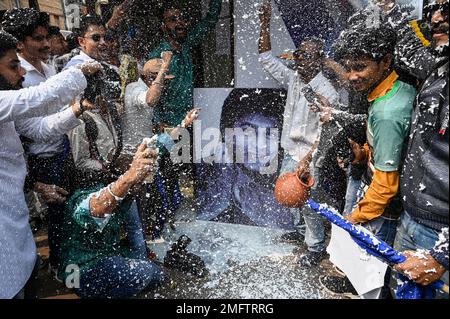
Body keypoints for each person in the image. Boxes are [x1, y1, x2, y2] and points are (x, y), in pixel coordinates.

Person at [0, 30, 101, 299]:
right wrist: (82, 68)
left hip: (18, 235)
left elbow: (41, 128)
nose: (21, 73)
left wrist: (79, 107)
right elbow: (41, 97)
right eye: (13, 65)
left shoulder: (7, 108)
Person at [321, 22, 417, 297]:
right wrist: (367, 152)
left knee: (373, 276)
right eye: (348, 68)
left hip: (385, 209)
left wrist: (354, 217)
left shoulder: (388, 111)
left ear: (386, 61)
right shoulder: (395, 88)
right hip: (384, 198)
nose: (351, 76)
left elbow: (386, 186)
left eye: (360, 67)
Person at [258, 2, 345, 267]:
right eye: (298, 53)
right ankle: (301, 234)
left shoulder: (327, 92)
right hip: (291, 151)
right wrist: (264, 23)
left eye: (307, 55)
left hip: (311, 155)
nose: (299, 58)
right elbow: (266, 59)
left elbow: (328, 132)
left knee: (310, 203)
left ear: (319, 59)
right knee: (293, 199)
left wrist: (307, 159)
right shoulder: (295, 77)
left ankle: (316, 247)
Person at [2, 8, 75, 274]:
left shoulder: (49, 67)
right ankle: (55, 268)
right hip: (38, 158)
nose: (46, 44)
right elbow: (38, 124)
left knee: (62, 214)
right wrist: (77, 105)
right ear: (20, 43)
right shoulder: (15, 82)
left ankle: (58, 262)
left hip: (60, 149)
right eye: (38, 38)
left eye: (47, 37)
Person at [390, 0, 449, 298]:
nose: (436, 18)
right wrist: (391, 8)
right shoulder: (438, 66)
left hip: (441, 239)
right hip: (412, 219)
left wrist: (443, 256)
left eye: (447, 9)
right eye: (432, 9)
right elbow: (406, 49)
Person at [58, 143, 165, 299]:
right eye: (137, 179)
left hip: (107, 257)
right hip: (79, 272)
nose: (139, 186)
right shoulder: (87, 196)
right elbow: (95, 209)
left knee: (158, 275)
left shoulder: (127, 194)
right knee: (143, 272)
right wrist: (129, 177)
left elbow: (134, 229)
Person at [197, 88, 295, 230]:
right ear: (227, 132)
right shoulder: (205, 169)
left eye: (270, 135)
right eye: (248, 131)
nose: (260, 145)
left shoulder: (285, 180)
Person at [147, 0, 222, 127]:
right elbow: (151, 93)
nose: (179, 22)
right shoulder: (157, 56)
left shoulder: (187, 44)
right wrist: (159, 123)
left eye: (182, 18)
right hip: (168, 126)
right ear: (163, 26)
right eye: (173, 20)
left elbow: (211, 20)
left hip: (189, 121)